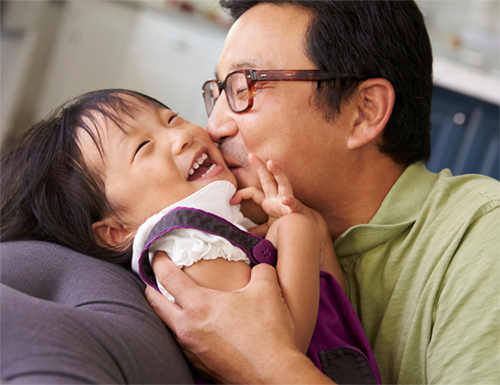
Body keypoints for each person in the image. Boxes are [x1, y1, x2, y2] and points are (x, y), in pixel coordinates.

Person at [146, 0, 500, 384]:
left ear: (363, 112)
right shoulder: (229, 235)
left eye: (245, 86)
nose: (213, 126)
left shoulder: (482, 237)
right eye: (218, 91)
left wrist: (263, 362)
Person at [0, 88, 380, 384]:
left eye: (171, 118)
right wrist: (294, 228)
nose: (180, 136)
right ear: (116, 230)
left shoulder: (221, 232)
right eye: (143, 147)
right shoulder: (184, 250)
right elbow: (275, 351)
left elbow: (337, 309)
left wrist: (305, 225)